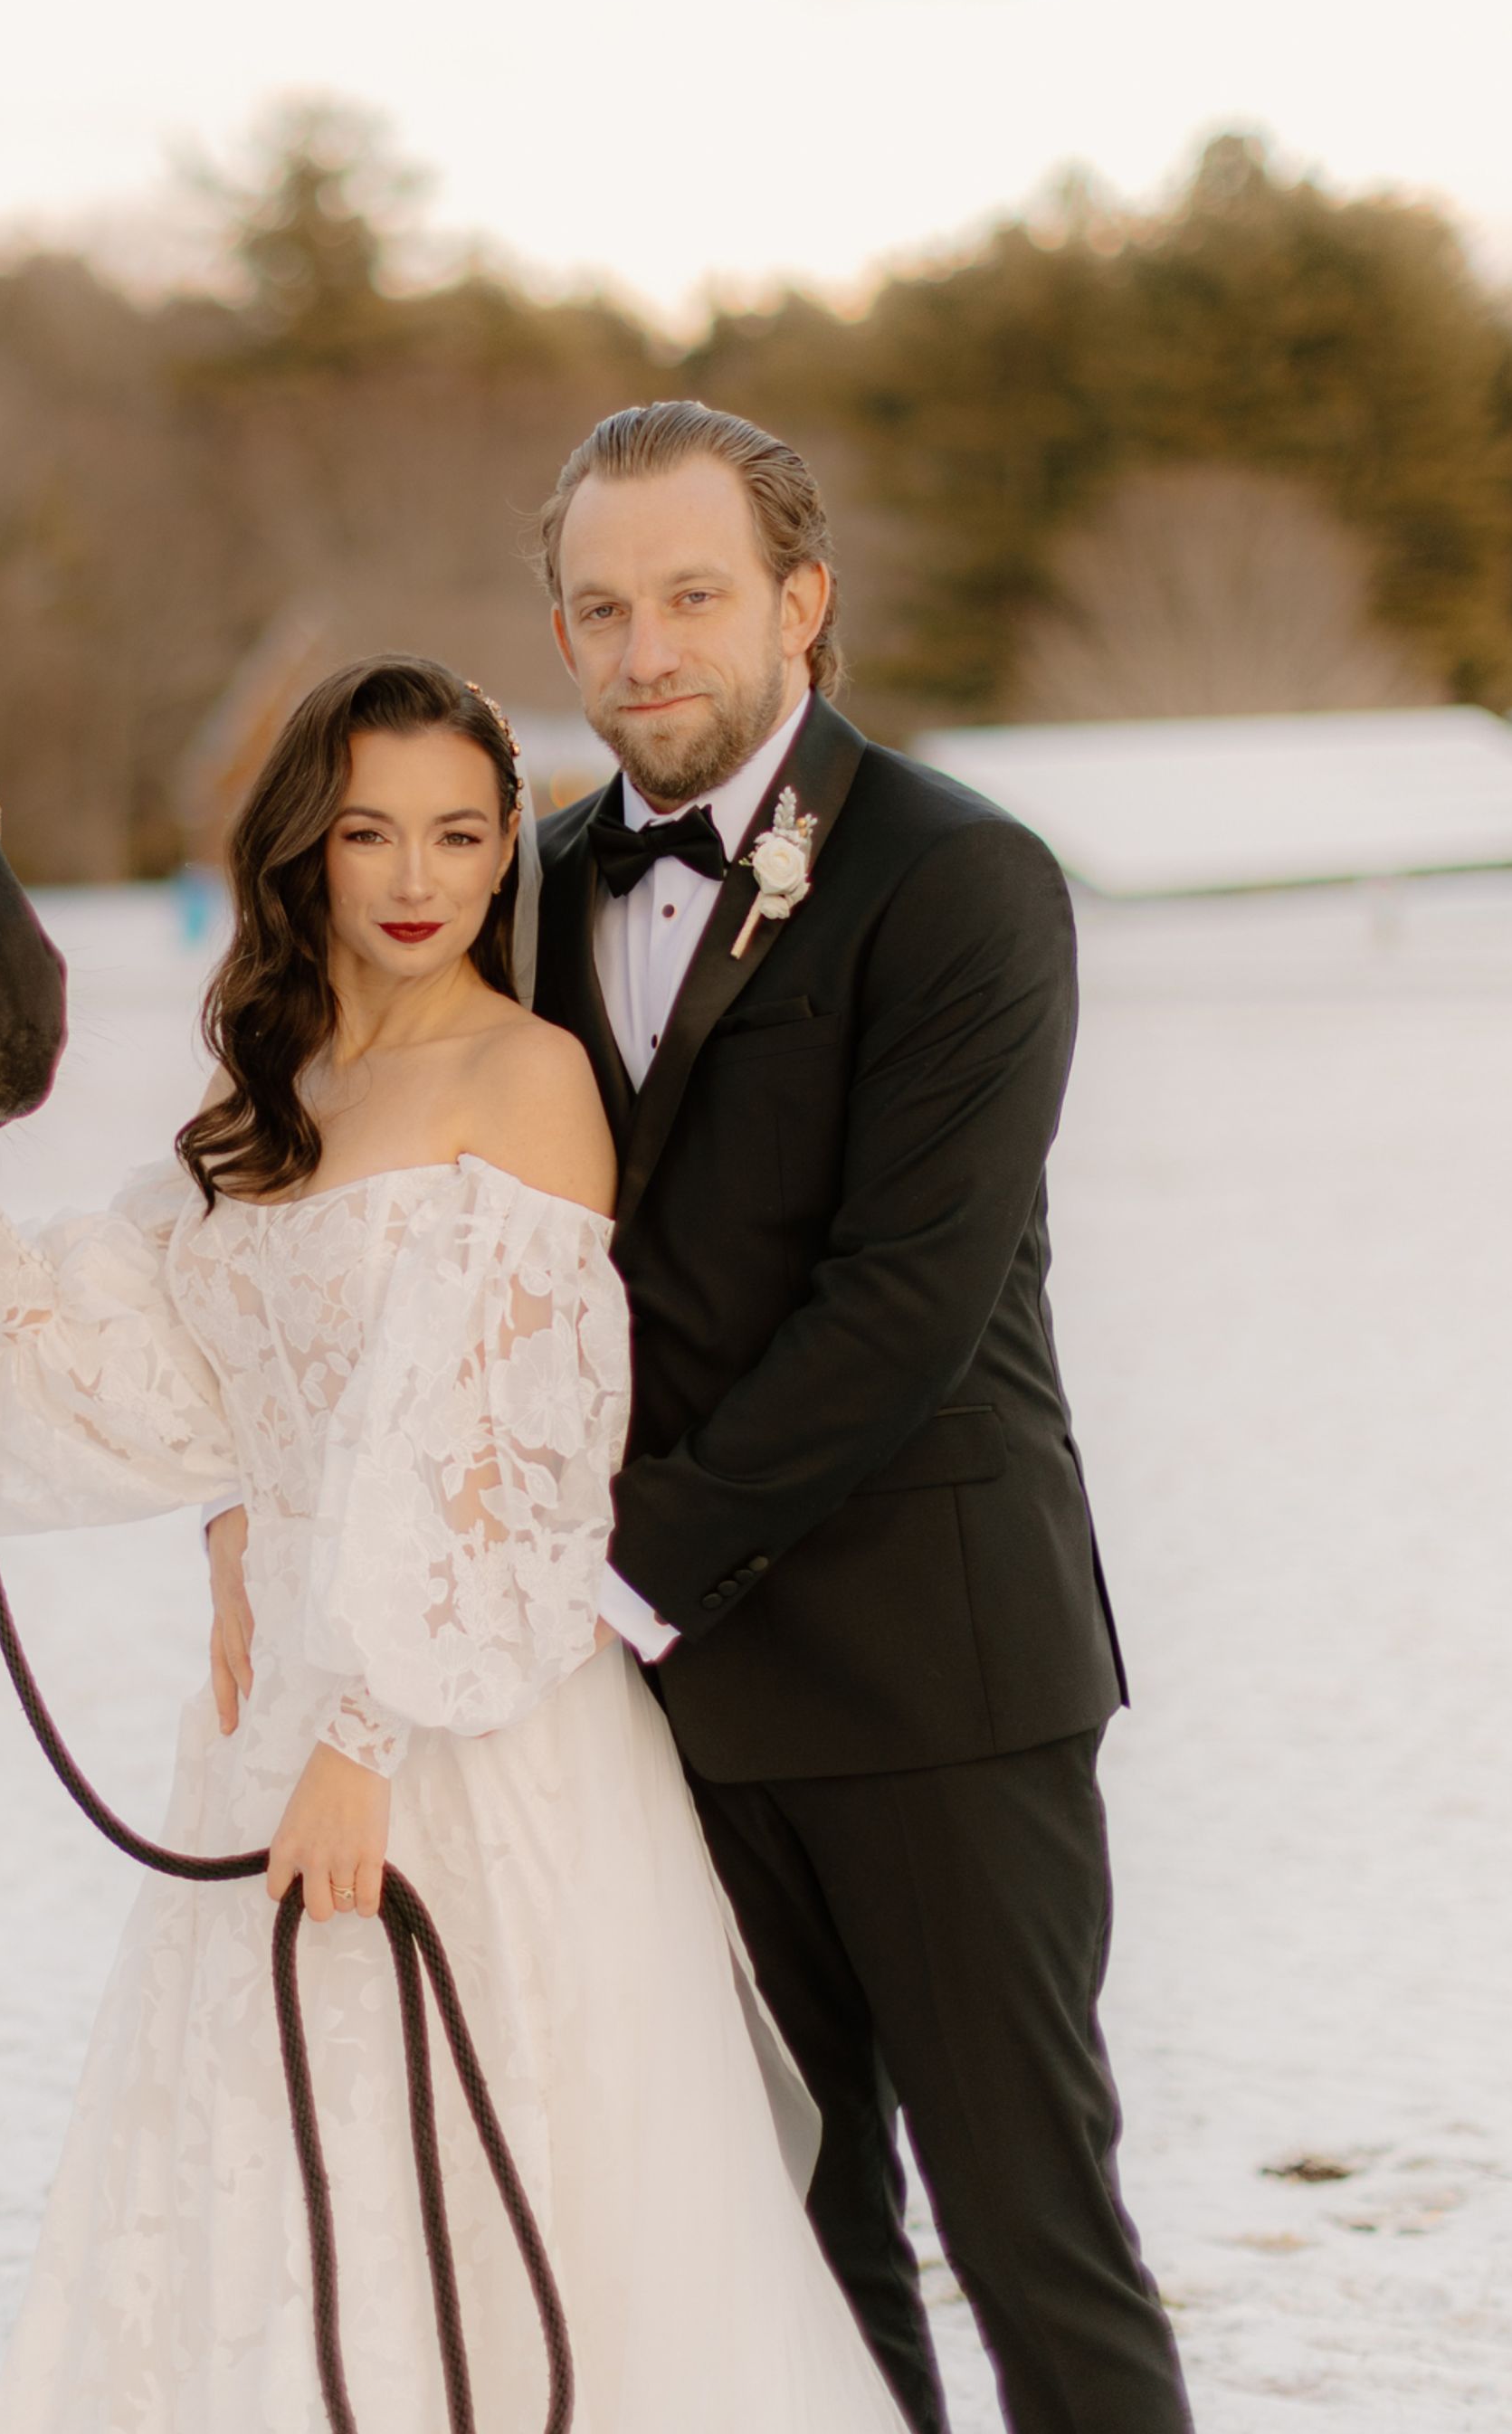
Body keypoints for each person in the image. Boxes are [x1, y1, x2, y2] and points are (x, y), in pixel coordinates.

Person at [0, 657, 907, 2431]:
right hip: (267, 1732)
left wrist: (366, 1743)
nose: (416, 876)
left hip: (459, 1721)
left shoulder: (530, 1078)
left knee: (502, 2203)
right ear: (304, 854)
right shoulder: (266, 1099)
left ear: (509, 858)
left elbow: (523, 1464)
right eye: (368, 833)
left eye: (461, 835)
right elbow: (181, 1394)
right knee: (272, 2198)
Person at [501, 401, 1194, 2434]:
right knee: (797, 2256)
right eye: (603, 608)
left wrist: (623, 1572)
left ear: (803, 602)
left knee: (1031, 2236)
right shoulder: (531, 896)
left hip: (936, 1683)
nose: (648, 650)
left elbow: (906, 1304)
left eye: (694, 596)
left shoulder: (961, 881)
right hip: (677, 1722)